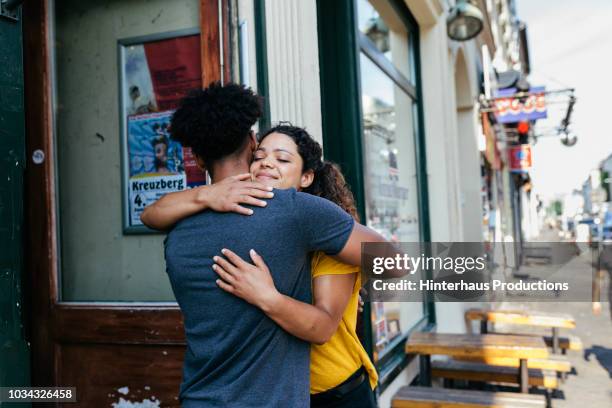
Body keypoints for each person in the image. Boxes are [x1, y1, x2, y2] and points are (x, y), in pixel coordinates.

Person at [143, 82, 387, 408]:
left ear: (198, 159)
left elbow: (151, 213)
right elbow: (393, 260)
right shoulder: (295, 212)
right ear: (252, 141)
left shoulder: (175, 229)